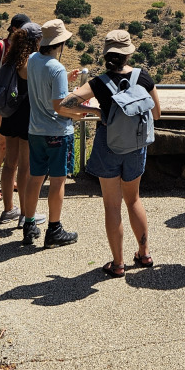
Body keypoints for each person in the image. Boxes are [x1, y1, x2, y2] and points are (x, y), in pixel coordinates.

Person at [61, 30, 161, 277]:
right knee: (134, 199)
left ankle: (118, 263)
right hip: (136, 146)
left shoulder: (98, 83)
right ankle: (144, 252)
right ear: (128, 54)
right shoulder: (143, 77)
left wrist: (96, 113)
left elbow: (65, 105)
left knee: (112, 205)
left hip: (108, 146)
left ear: (107, 55)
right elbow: (157, 114)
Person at [20, 19, 85, 248]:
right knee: (58, 181)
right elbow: (59, 106)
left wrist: (64, 84)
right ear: (61, 43)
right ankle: (54, 230)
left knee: (35, 178)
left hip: (35, 130)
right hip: (57, 130)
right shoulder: (57, 68)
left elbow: (39, 86)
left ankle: (28, 225)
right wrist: (79, 107)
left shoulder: (32, 60)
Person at [0, 23, 43, 229]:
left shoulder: (10, 59)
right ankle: (25, 214)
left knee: (10, 164)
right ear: (35, 41)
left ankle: (8, 210)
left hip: (10, 115)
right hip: (26, 117)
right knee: (25, 167)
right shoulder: (31, 62)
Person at [0, 13, 27, 203]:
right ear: (15, 29)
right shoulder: (0, 46)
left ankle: (10, 181)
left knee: (15, 144)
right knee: (2, 142)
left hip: (20, 102)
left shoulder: (25, 48)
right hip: (3, 102)